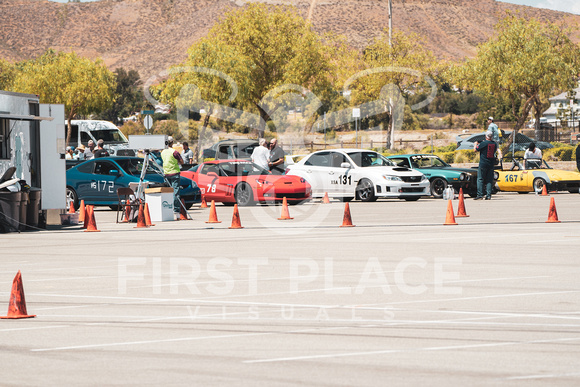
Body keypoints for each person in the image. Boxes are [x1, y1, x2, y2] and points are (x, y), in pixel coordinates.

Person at [161, 136, 184, 216]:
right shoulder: (174, 152)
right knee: (176, 193)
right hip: (174, 173)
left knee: (167, 193)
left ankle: (168, 208)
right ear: (172, 143)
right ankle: (176, 210)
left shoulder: (163, 152)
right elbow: (182, 161)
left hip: (166, 174)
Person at [474, 130, 498, 200]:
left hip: (483, 163)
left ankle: (480, 195)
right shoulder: (494, 144)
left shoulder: (483, 143)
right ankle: (488, 195)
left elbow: (475, 150)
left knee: (480, 179)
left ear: (486, 136)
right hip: (491, 164)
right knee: (489, 180)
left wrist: (475, 144)